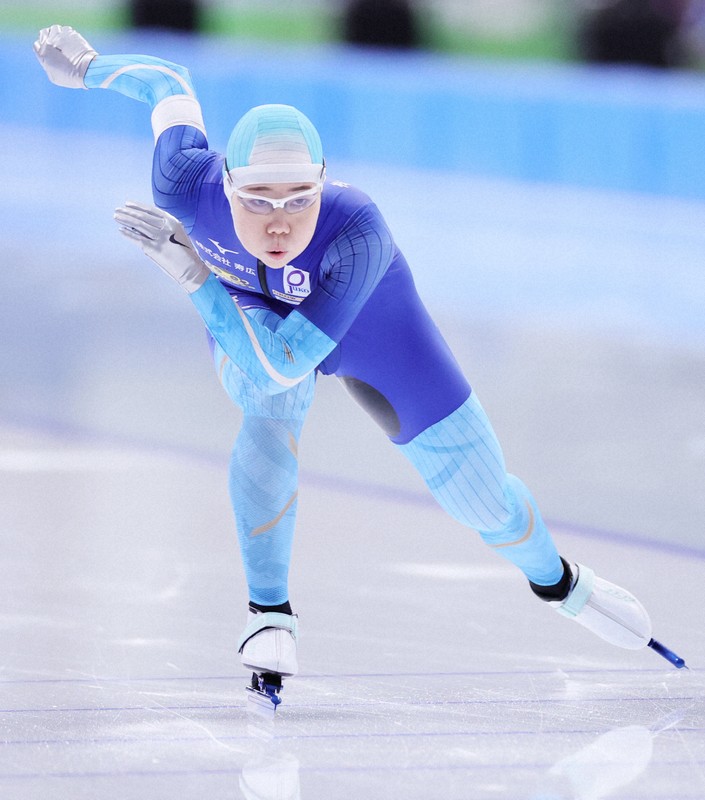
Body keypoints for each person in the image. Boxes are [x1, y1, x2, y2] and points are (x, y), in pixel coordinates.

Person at [33, 25, 660, 708]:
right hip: (253, 319)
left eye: (299, 199)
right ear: (225, 184)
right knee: (266, 402)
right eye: (256, 202)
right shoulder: (183, 181)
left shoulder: (356, 229)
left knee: (483, 502)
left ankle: (561, 582)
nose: (279, 223)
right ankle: (267, 614)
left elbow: (284, 362)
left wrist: (194, 276)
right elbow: (165, 81)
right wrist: (91, 67)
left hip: (371, 330)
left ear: (323, 185)